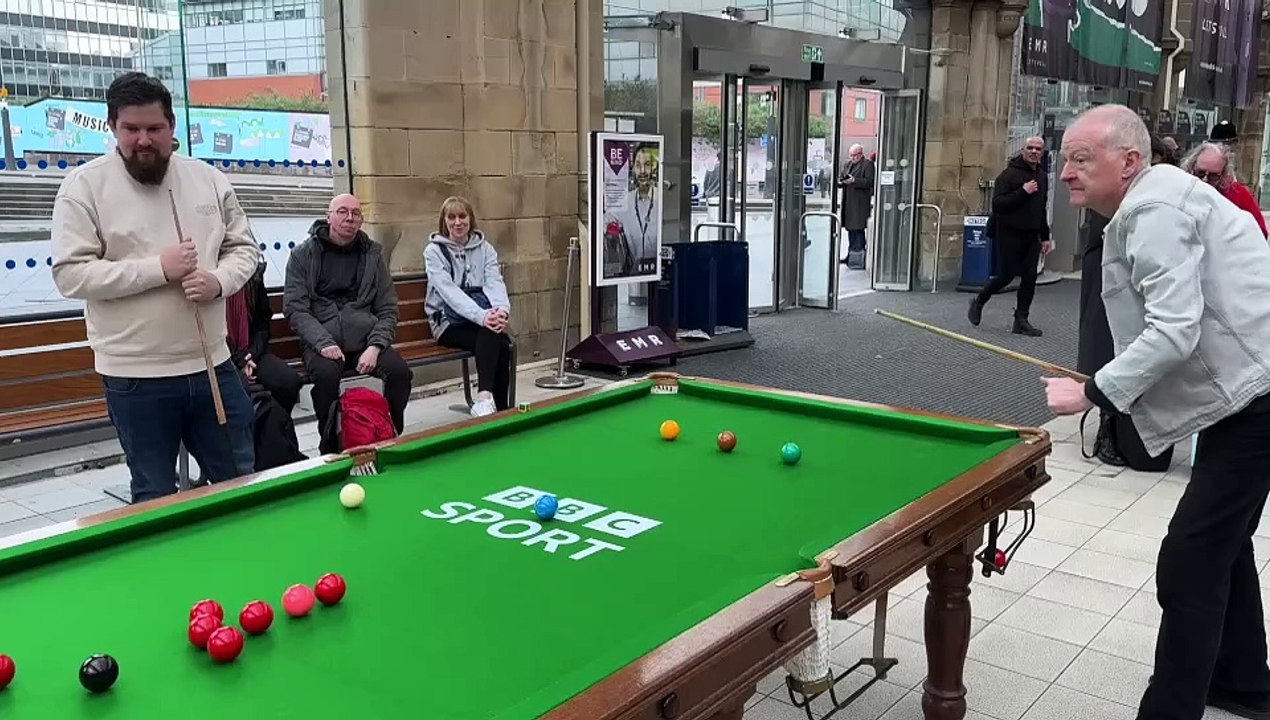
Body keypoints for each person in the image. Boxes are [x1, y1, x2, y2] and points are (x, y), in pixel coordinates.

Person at [1044, 104, 1270, 720]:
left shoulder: (1154, 209)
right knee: (1223, 543)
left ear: (1129, 161)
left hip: (1260, 398)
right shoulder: (1161, 197)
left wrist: (1093, 392)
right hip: (1247, 394)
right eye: (1065, 159)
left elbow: (1174, 331)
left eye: (1081, 158)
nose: (1066, 172)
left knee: (1190, 560)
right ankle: (1244, 683)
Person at [50, 72, 259, 503]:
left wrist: (219, 281)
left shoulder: (208, 179)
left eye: (154, 128)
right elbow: (71, 275)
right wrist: (158, 269)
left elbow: (244, 249)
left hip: (213, 366)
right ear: (113, 126)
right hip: (135, 377)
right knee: (154, 494)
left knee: (239, 484)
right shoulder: (83, 187)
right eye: (131, 129)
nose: (143, 140)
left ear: (171, 126)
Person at [1076, 133, 1178, 469]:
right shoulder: (1115, 197)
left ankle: (1140, 429)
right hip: (1110, 280)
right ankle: (1107, 425)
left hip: (1148, 286)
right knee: (1107, 349)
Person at [283, 193, 411, 451]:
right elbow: (295, 308)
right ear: (328, 216)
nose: (349, 218)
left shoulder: (372, 255)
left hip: (365, 339)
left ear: (361, 220)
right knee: (326, 376)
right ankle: (330, 446)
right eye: (342, 211)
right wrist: (323, 343)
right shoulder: (302, 255)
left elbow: (388, 308)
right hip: (322, 341)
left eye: (355, 213)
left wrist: (375, 346)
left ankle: (389, 433)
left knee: (399, 374)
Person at [424, 196, 513, 417]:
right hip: (447, 323)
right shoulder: (433, 252)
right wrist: (483, 316)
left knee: (500, 341)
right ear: (444, 221)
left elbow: (494, 282)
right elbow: (449, 293)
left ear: (470, 219)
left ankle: (494, 408)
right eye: (451, 217)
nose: (458, 222)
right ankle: (489, 402)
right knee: (494, 335)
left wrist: (501, 311)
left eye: (462, 216)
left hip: (480, 320)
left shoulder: (485, 249)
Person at [967, 136, 1053, 336]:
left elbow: (1041, 208)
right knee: (1006, 276)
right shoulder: (1008, 175)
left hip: (1031, 234)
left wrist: (1045, 236)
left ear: (1042, 152)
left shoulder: (1042, 176)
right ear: (1023, 150)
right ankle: (979, 300)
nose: (1034, 151)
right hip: (1009, 233)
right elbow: (998, 204)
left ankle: (1021, 320)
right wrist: (1023, 191)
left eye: (1038, 149)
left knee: (1030, 277)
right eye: (1030, 148)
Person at [226, 258, 303, 413]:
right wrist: (240, 361)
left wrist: (251, 355)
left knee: (289, 382)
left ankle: (273, 423)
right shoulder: (206, 283)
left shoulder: (253, 276)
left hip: (253, 351)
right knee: (237, 388)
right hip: (221, 357)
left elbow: (263, 322)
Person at [1178, 142, 1268, 238]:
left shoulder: (1238, 195)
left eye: (1213, 176)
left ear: (1223, 173)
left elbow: (1259, 233)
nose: (1205, 179)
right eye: (1200, 173)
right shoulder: (1179, 188)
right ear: (1191, 166)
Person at [838, 144, 875, 269]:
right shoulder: (847, 164)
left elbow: (869, 182)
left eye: (855, 155)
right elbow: (842, 177)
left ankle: (859, 257)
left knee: (858, 230)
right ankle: (851, 255)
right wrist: (841, 181)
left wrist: (855, 181)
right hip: (848, 202)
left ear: (860, 154)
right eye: (851, 155)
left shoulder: (867, 164)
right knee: (850, 230)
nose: (852, 158)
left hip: (859, 203)